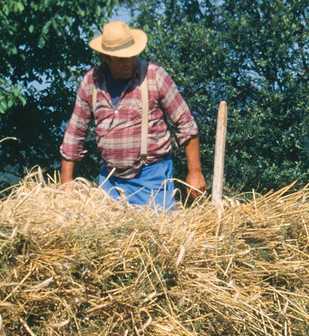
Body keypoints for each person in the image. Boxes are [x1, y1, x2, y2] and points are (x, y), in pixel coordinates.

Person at [59, 20, 205, 211]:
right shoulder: (91, 82)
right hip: (110, 180)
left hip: (152, 177)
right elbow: (74, 134)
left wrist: (195, 173)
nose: (129, 62)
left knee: (158, 237)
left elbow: (186, 124)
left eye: (132, 56)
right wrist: (65, 185)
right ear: (105, 57)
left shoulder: (154, 77)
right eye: (121, 58)